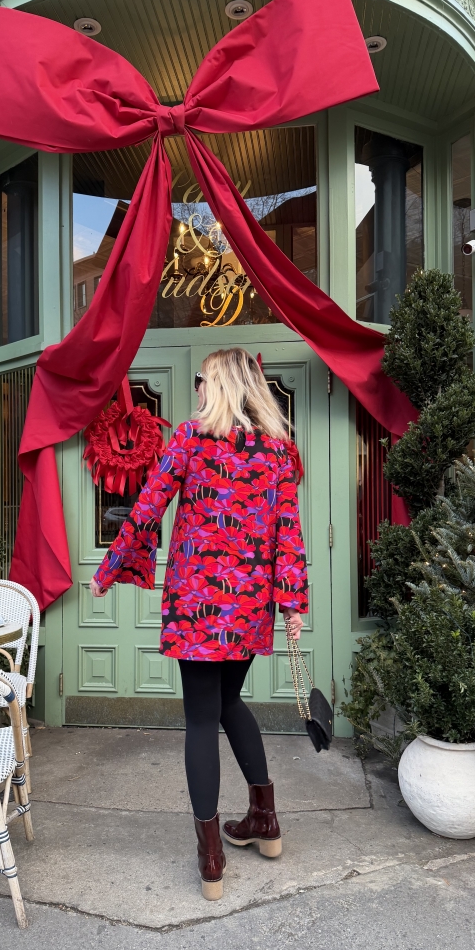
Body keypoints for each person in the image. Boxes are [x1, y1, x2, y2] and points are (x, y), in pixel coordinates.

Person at [91, 347, 308, 900]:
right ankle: (266, 821)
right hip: (248, 605)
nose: (196, 388)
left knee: (201, 719)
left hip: (198, 606)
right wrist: (292, 603)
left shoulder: (190, 438)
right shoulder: (277, 451)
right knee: (229, 702)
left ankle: (211, 857)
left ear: (222, 384)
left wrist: (108, 570)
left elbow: (148, 507)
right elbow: (288, 531)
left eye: (201, 379)